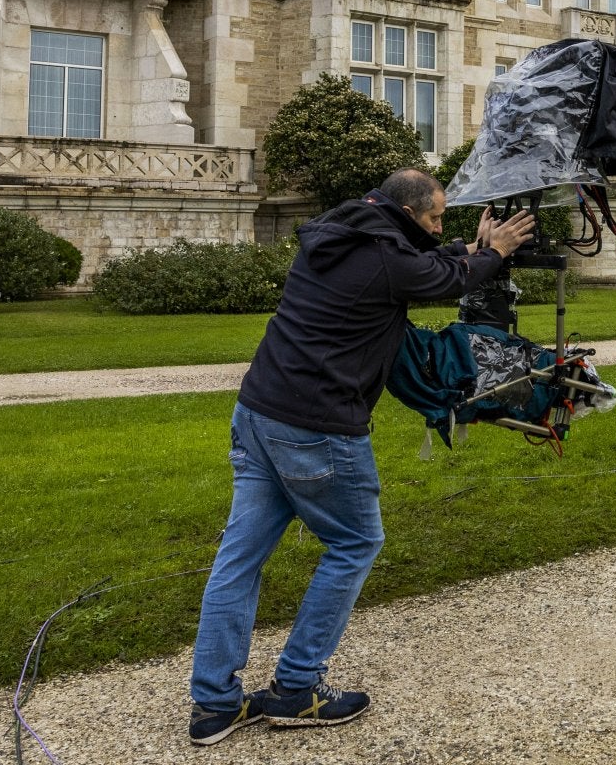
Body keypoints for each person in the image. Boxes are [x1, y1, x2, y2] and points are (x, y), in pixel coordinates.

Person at [188, 169, 535, 745]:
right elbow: (439, 278)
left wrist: (467, 248)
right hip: (317, 426)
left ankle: (214, 705)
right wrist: (491, 253)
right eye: (433, 218)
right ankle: (297, 689)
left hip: (258, 411)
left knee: (240, 558)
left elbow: (421, 260)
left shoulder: (342, 231)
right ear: (405, 213)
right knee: (355, 543)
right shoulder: (387, 259)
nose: (439, 226)